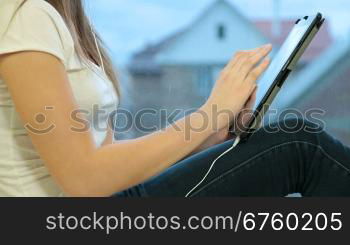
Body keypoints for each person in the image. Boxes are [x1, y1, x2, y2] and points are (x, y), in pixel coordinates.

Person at [0, 0, 349, 197]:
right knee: (298, 146)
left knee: (286, 143)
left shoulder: (70, 23)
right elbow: (84, 179)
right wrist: (209, 115)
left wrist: (210, 135)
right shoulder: (25, 15)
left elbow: (105, 158)